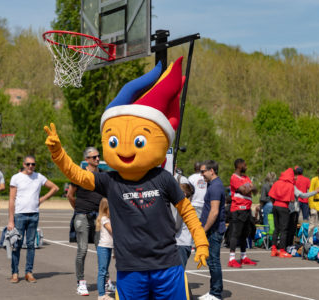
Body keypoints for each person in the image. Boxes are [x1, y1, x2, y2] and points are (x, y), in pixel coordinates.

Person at [45, 57, 208, 300]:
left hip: (167, 265)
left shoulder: (162, 178)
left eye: (139, 141)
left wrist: (201, 240)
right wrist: (59, 154)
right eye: (113, 141)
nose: (125, 149)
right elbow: (77, 175)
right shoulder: (110, 180)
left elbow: (186, 209)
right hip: (131, 268)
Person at [7, 155, 59, 283]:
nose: (31, 166)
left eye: (33, 164)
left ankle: (29, 272)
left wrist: (41, 199)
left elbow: (55, 188)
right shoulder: (16, 178)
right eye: (28, 164)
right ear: (24, 164)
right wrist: (10, 220)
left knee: (31, 245)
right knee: (16, 245)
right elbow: (11, 199)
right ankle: (14, 273)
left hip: (34, 215)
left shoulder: (39, 177)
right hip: (19, 215)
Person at [67, 147, 104, 296]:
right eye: (94, 157)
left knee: (102, 250)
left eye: (98, 156)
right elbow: (70, 195)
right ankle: (81, 282)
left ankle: (105, 280)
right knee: (82, 250)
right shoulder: (79, 175)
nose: (97, 159)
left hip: (99, 217)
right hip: (82, 216)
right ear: (87, 160)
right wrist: (79, 210)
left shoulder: (103, 176)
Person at [268, 168, 319, 257]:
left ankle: (273, 249)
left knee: (276, 229)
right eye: (294, 176)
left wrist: (275, 204)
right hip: (284, 208)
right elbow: (294, 199)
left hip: (275, 207)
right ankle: (282, 250)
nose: (295, 177)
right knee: (284, 230)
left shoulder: (277, 183)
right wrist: (315, 192)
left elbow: (271, 196)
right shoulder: (290, 185)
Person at [198, 160, 226, 300]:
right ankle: (213, 291)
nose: (201, 174)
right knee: (212, 261)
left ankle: (216, 293)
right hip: (212, 230)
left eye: (203, 171)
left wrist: (204, 229)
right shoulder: (212, 185)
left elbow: (214, 212)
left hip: (214, 231)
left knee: (214, 262)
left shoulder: (215, 187)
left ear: (212, 171)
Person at [228, 158, 257, 268]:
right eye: (245, 164)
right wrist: (249, 187)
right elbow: (244, 190)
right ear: (239, 165)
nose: (246, 166)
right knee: (236, 233)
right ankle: (232, 258)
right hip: (238, 209)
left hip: (247, 209)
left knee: (245, 233)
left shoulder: (246, 177)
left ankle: (243, 256)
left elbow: (255, 189)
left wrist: (249, 187)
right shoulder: (234, 177)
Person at [96, 198, 114, 300]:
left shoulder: (108, 218)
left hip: (108, 247)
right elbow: (112, 231)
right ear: (106, 208)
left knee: (105, 270)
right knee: (102, 271)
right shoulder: (104, 219)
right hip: (103, 248)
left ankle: (104, 293)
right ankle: (101, 295)